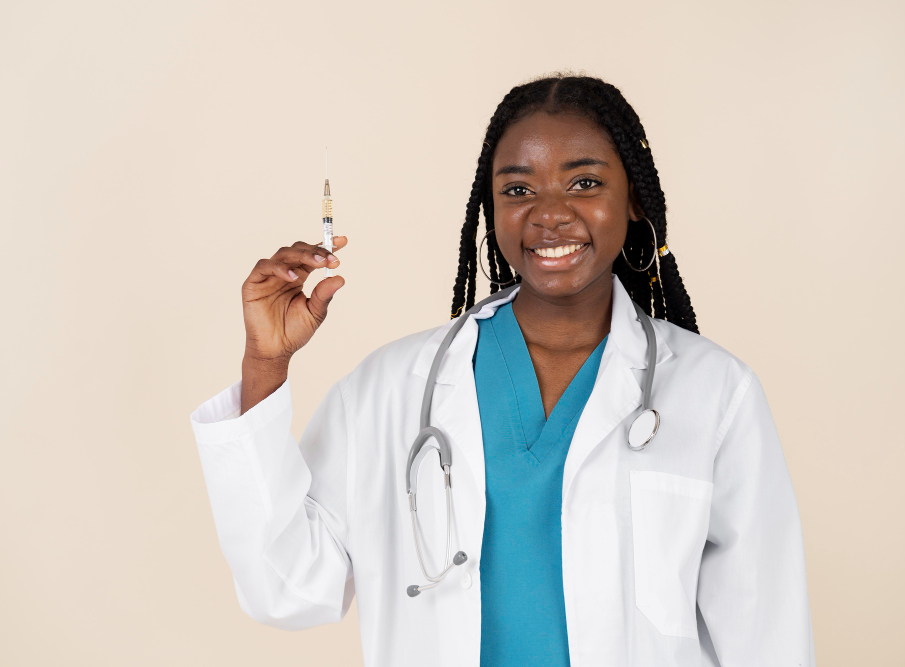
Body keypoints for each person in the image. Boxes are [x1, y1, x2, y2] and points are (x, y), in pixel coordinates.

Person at [190, 74, 815, 667]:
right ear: (491, 209)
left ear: (634, 203)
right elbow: (287, 586)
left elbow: (767, 637)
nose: (549, 213)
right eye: (518, 189)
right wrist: (265, 364)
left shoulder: (714, 393)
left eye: (585, 183)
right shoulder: (389, 390)